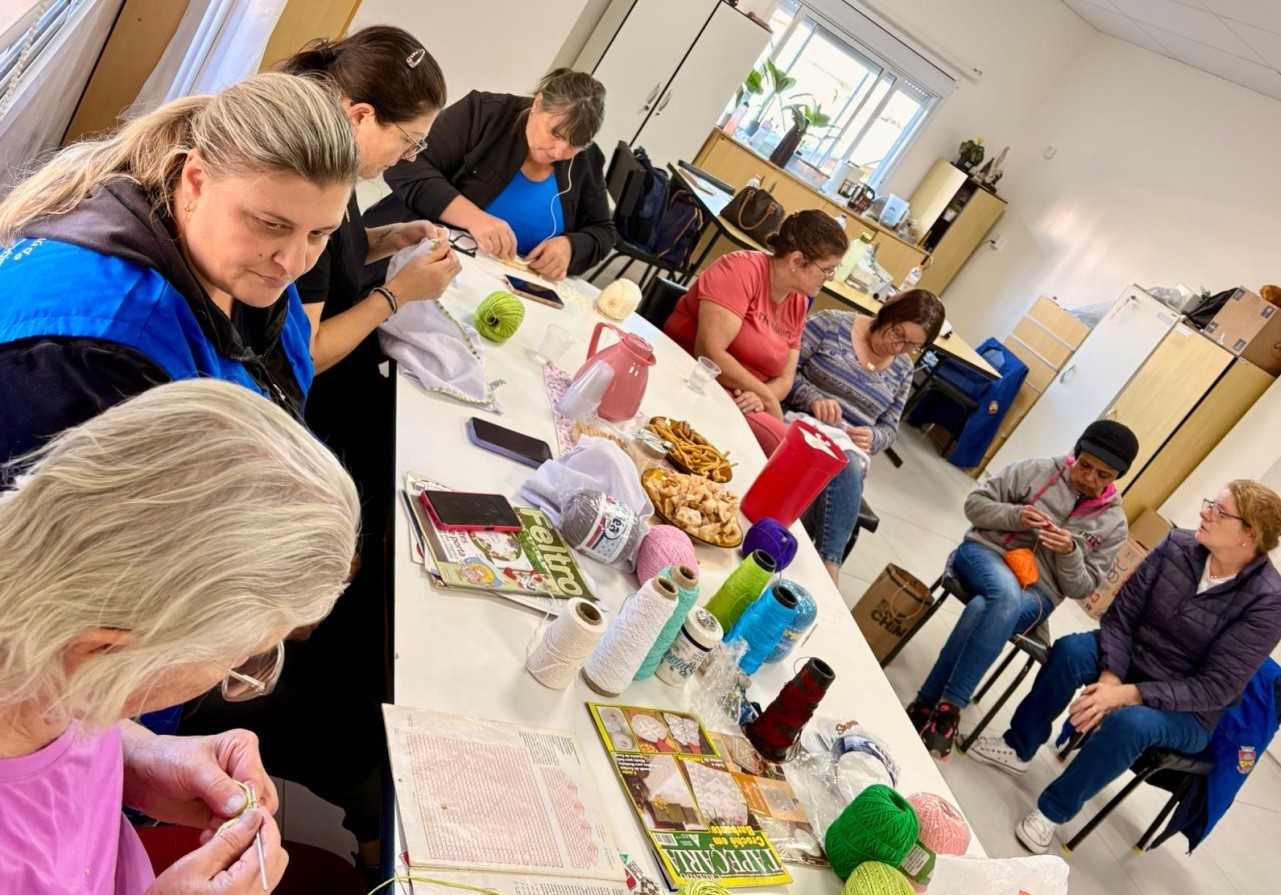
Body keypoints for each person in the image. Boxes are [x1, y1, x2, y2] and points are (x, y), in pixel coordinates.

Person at [182, 31, 450, 873]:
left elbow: (317, 276)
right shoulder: (145, 336)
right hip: (177, 654)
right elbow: (303, 351)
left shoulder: (319, 189)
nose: (293, 257)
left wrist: (381, 240)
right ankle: (382, 839)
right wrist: (396, 296)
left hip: (212, 587)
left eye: (318, 234)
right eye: (407, 142)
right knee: (351, 726)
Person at [0, 379, 361, 894]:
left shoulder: (43, 620)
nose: (234, 673)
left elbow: (47, 741)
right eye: (237, 662)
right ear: (105, 649)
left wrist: (143, 760)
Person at [0, 72, 359, 472]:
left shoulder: (249, 268)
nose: (294, 264)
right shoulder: (88, 357)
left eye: (319, 234)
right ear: (196, 181)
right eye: (271, 225)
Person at [965, 480, 1281, 855]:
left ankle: (1053, 811)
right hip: (1133, 660)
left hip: (1189, 710)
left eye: (1219, 511)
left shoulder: (1268, 601)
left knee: (1130, 723)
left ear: (1250, 534)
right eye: (1209, 503)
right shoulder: (1177, 544)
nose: (1204, 512)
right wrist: (1112, 677)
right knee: (1070, 652)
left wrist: (1128, 694)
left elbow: (1215, 687)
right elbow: (1122, 614)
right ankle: (1019, 746)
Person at [908, 420, 1139, 761]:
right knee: (1004, 595)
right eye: (1085, 465)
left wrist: (1069, 552)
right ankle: (950, 708)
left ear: (1117, 477)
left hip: (1039, 592)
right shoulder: (1038, 470)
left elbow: (1082, 587)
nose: (1089, 478)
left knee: (983, 609)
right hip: (984, 555)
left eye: (1103, 474)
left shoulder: (1114, 524)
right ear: (1076, 454)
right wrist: (1015, 516)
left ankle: (926, 703)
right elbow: (974, 505)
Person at [365, 67, 612, 280]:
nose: (559, 151)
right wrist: (474, 219)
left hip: (502, 286)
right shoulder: (484, 113)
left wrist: (571, 247)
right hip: (406, 259)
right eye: (555, 133)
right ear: (537, 104)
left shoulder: (586, 161)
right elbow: (405, 165)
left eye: (575, 144)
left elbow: (603, 231)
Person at [787, 290, 945, 581]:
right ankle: (828, 571)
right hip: (802, 426)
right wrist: (812, 398)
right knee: (843, 464)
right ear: (887, 311)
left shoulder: (903, 369)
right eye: (898, 334)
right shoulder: (831, 324)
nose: (898, 347)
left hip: (848, 451)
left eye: (912, 346)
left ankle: (803, 567)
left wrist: (874, 437)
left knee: (842, 464)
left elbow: (890, 429)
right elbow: (784, 370)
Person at [663, 210, 849, 452]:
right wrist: (766, 397)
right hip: (696, 377)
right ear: (796, 260)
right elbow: (710, 352)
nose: (830, 278)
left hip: (743, 397)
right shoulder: (740, 269)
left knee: (804, 453)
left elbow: (786, 378)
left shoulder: (799, 300)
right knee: (791, 451)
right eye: (827, 270)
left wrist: (761, 396)